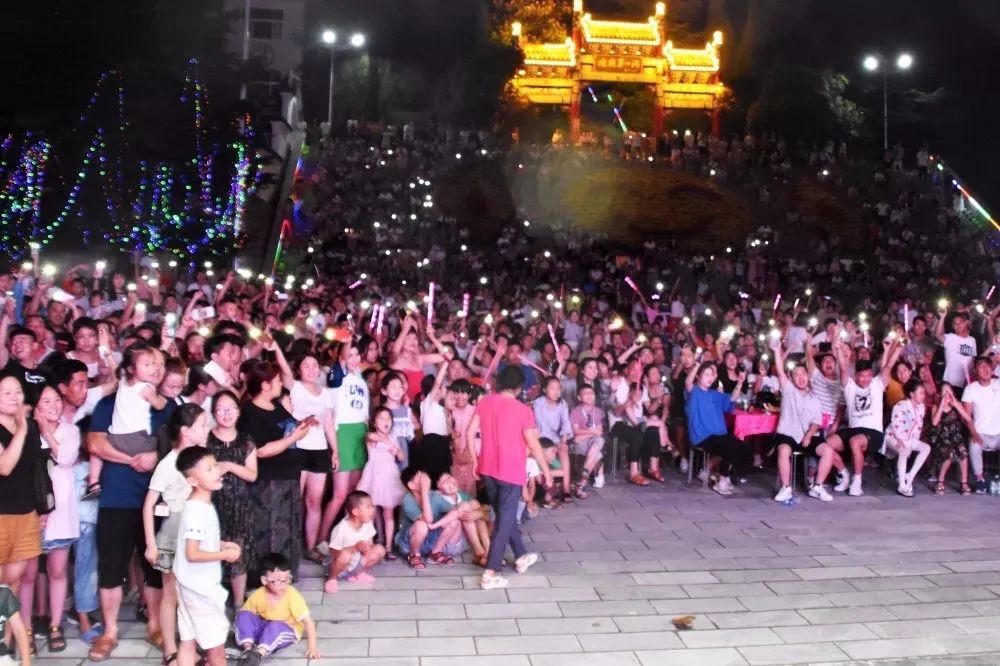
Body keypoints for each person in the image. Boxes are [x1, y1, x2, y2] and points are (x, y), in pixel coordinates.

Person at [467, 365, 549, 590]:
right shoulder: (523, 411)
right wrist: (546, 470)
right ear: (519, 387)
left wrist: (475, 461)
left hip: (487, 468)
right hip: (511, 471)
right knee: (504, 522)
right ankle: (490, 572)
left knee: (505, 516)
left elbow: (469, 432)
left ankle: (521, 555)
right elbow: (534, 444)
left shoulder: (485, 402)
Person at [142, 403, 210, 666]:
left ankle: (190, 647)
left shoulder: (201, 459)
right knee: (171, 596)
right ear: (185, 431)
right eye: (202, 425)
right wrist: (151, 544)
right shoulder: (169, 464)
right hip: (174, 533)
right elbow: (149, 504)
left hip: (198, 534)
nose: (207, 430)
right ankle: (170, 650)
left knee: (193, 595)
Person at [238, 363, 311, 577]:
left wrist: (301, 427)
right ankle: (268, 576)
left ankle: (286, 573)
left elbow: (288, 429)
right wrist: (293, 438)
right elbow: (259, 451)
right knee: (270, 530)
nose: (281, 384)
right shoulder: (250, 413)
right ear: (265, 385)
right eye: (277, 380)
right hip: (268, 482)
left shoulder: (275, 406)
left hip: (288, 477)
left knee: (288, 528)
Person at [171, 446, 241, 666]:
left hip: (188, 584)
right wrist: (225, 554)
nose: (217, 471)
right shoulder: (197, 510)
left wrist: (221, 544)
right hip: (199, 589)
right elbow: (192, 553)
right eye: (209, 469)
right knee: (216, 647)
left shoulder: (200, 504)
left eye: (215, 466)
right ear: (192, 480)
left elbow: (199, 541)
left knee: (188, 641)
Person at [770, 344, 846, 503]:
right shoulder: (788, 390)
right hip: (788, 434)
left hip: (808, 436)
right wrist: (777, 351)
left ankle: (817, 486)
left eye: (803, 373)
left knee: (827, 450)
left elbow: (816, 422)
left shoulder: (815, 399)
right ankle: (786, 488)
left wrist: (809, 436)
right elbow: (780, 371)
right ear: (791, 378)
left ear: (808, 376)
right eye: (796, 375)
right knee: (783, 450)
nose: (801, 377)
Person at [87, 342, 166, 496]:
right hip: (136, 441)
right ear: (131, 369)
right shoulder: (145, 388)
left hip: (114, 438)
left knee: (96, 452)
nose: (154, 368)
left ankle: (93, 482)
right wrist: (162, 399)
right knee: (161, 448)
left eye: (156, 364)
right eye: (148, 365)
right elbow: (158, 405)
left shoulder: (123, 379)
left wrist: (104, 348)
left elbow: (112, 365)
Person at [0, 375, 43, 657]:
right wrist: (23, 428)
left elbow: (35, 468)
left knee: (12, 581)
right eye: (6, 392)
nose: (14, 397)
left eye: (17, 391)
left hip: (26, 512)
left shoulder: (30, 427)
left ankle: (4, 644)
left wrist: (41, 508)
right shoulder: (23, 428)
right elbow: (5, 466)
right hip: (1, 514)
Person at [825, 338, 900, 497]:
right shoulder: (849, 386)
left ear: (872, 375)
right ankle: (844, 474)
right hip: (853, 430)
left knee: (855, 441)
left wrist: (899, 347)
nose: (865, 379)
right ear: (855, 376)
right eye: (861, 376)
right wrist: (838, 349)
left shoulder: (877, 384)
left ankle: (857, 482)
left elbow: (888, 366)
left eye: (868, 376)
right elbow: (843, 367)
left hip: (873, 432)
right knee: (825, 445)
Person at [206, 390, 257, 605]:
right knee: (210, 550)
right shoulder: (205, 439)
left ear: (238, 411)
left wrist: (228, 466)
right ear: (213, 413)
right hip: (211, 504)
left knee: (238, 553)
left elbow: (252, 475)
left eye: (231, 409)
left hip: (240, 505)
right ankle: (212, 603)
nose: (226, 414)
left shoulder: (246, 440)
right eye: (221, 409)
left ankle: (238, 604)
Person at [317, 343, 368, 554]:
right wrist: (347, 339)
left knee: (354, 493)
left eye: (357, 354)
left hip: (360, 432)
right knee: (339, 494)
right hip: (343, 432)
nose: (353, 358)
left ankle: (348, 537)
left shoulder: (360, 379)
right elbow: (343, 359)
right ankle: (320, 540)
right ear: (341, 357)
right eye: (349, 354)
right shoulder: (336, 376)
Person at [235, 552, 320, 665]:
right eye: (278, 581)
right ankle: (248, 649)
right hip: (266, 627)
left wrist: (312, 647)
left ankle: (259, 653)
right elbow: (247, 618)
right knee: (243, 615)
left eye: (286, 579)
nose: (283, 584)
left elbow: (308, 622)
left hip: (286, 629)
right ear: (264, 580)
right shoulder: (258, 594)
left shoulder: (292, 595)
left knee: (275, 625)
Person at [684, 361, 749, 496]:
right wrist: (697, 365)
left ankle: (724, 476)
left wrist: (740, 382)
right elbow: (688, 383)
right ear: (698, 376)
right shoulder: (694, 392)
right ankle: (723, 480)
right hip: (702, 435)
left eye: (711, 375)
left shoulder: (715, 394)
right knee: (729, 445)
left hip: (718, 434)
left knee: (742, 445)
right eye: (706, 375)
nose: (710, 378)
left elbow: (732, 397)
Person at [356, 407, 405, 557]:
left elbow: (401, 457)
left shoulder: (393, 438)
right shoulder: (371, 436)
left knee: (388, 513)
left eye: (388, 418)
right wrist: (387, 441)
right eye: (382, 418)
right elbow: (371, 436)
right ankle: (370, 544)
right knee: (370, 512)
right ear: (374, 422)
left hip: (389, 477)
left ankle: (388, 546)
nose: (386, 421)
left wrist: (396, 451)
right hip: (373, 477)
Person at [395, 468, 464, 570]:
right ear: (411, 485)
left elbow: (455, 511)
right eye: (420, 477)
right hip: (409, 544)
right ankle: (414, 555)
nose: (425, 479)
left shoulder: (434, 495)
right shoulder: (408, 500)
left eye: (424, 475)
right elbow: (428, 520)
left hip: (430, 542)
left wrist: (438, 524)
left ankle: (435, 552)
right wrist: (424, 492)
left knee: (454, 521)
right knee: (421, 525)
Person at [324, 491, 386, 593]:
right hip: (338, 567)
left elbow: (370, 544)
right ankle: (332, 579)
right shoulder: (341, 529)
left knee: (379, 550)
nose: (372, 509)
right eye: (368, 507)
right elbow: (333, 553)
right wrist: (353, 548)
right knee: (345, 555)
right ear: (356, 512)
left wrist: (366, 548)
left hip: (356, 562)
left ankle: (358, 574)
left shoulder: (367, 523)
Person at [884, 378, 932, 497]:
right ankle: (902, 485)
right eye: (921, 393)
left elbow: (918, 427)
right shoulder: (900, 406)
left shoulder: (921, 407)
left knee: (926, 448)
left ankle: (910, 476)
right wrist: (903, 442)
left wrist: (913, 443)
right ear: (911, 394)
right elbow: (896, 425)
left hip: (910, 438)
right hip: (893, 436)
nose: (923, 396)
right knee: (904, 450)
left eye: (923, 393)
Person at [960, 356, 1000, 494]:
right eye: (981, 367)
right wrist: (974, 432)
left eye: (988, 366)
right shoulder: (970, 389)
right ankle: (980, 479)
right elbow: (966, 417)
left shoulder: (998, 383)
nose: (985, 369)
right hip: (981, 433)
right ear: (976, 371)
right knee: (974, 444)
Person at [930, 383, 973, 495]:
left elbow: (968, 419)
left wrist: (956, 405)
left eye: (949, 391)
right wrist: (941, 406)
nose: (947, 394)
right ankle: (940, 481)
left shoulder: (956, 404)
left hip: (956, 437)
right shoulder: (936, 406)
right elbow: (934, 423)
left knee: (963, 451)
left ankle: (964, 483)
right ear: (940, 394)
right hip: (942, 438)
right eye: (944, 391)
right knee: (949, 454)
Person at [568, 385, 605, 495]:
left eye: (591, 393)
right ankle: (582, 482)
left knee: (600, 440)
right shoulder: (575, 411)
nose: (589, 395)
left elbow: (600, 431)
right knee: (598, 453)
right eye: (585, 393)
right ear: (579, 397)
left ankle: (584, 475)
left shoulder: (598, 412)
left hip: (590, 440)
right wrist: (592, 432)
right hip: (579, 443)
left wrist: (586, 434)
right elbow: (576, 431)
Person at [935, 307, 976, 388]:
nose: (957, 325)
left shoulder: (972, 340)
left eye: (960, 322)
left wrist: (971, 375)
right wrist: (942, 317)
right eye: (955, 323)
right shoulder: (950, 337)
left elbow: (972, 360)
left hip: (965, 383)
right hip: (950, 383)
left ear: (966, 324)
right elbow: (938, 335)